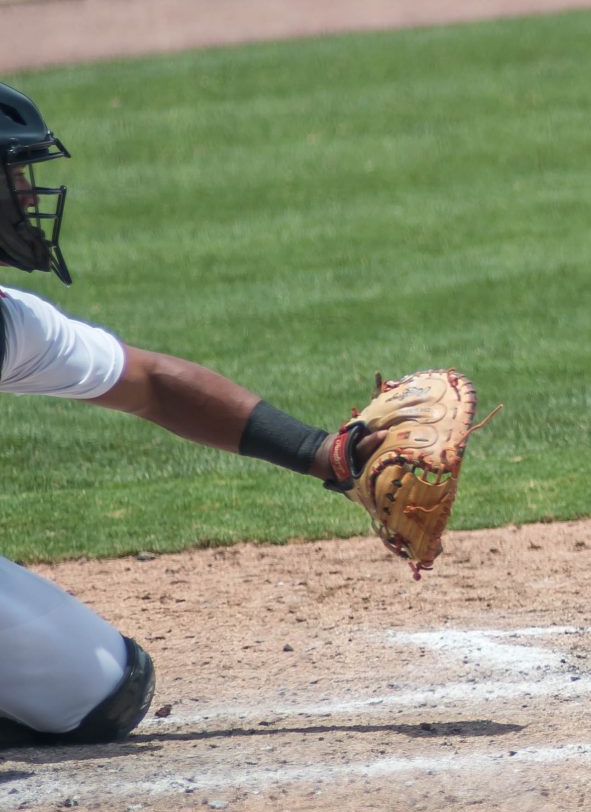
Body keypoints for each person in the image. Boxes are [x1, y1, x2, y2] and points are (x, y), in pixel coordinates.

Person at [0, 82, 397, 748]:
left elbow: (152, 383)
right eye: (11, 176)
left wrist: (325, 453)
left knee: (105, 688)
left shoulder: (10, 325)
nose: (29, 196)